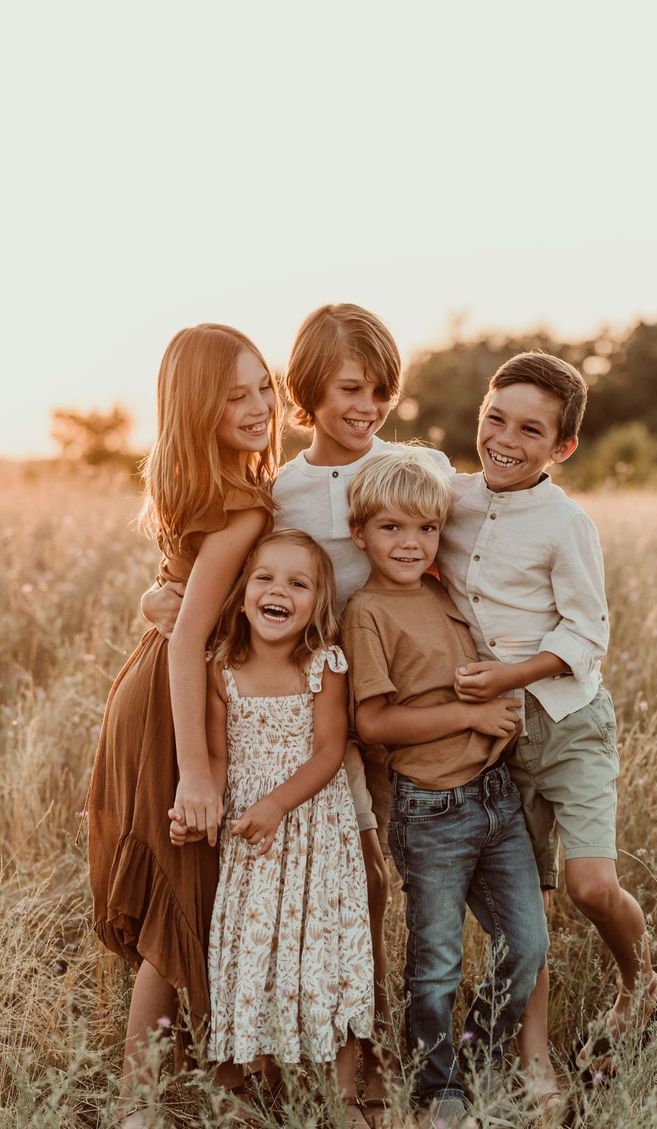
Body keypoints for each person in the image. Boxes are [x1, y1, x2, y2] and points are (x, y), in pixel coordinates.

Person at [143, 303, 453, 1123]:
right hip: (305, 707)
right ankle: (272, 1044)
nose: (369, 403)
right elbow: (236, 577)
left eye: (382, 388)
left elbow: (451, 563)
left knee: (377, 879)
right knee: (309, 868)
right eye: (351, 386)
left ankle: (365, 1038)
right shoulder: (277, 490)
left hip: (394, 699)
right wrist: (162, 598)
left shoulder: (415, 466)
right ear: (309, 393)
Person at [437, 351, 657, 1103]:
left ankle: (643, 980)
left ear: (561, 446)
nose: (505, 439)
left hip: (569, 723)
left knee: (590, 884)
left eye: (531, 429)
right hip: (493, 736)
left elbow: (586, 633)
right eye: (494, 418)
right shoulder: (451, 498)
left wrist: (506, 673)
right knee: (525, 904)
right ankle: (536, 1066)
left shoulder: (567, 522)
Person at [85, 323, 280, 1127]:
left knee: (188, 892)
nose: (259, 406)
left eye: (263, 386)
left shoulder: (210, 483)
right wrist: (198, 774)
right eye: (235, 395)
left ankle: (199, 1082)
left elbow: (179, 601)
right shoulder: (238, 501)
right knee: (182, 891)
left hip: (158, 680)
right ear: (197, 408)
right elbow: (191, 635)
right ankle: (139, 1103)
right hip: (177, 699)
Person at [341, 449, 549, 1128]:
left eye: (426, 529)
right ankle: (438, 1089)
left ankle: (478, 1053)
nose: (411, 543)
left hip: (495, 798)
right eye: (393, 528)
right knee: (435, 962)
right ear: (360, 533)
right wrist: (466, 714)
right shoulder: (368, 610)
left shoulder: (443, 592)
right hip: (430, 809)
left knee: (527, 944)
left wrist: (499, 711)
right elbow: (373, 721)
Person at [170, 529, 374, 1126]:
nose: (277, 590)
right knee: (251, 954)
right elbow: (217, 760)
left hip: (315, 836)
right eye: (264, 577)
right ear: (240, 595)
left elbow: (328, 752)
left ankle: (342, 1099)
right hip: (252, 843)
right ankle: (238, 1088)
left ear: (317, 603)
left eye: (297, 582)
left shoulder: (324, 665)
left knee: (324, 958)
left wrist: (278, 804)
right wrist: (197, 815)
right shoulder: (220, 669)